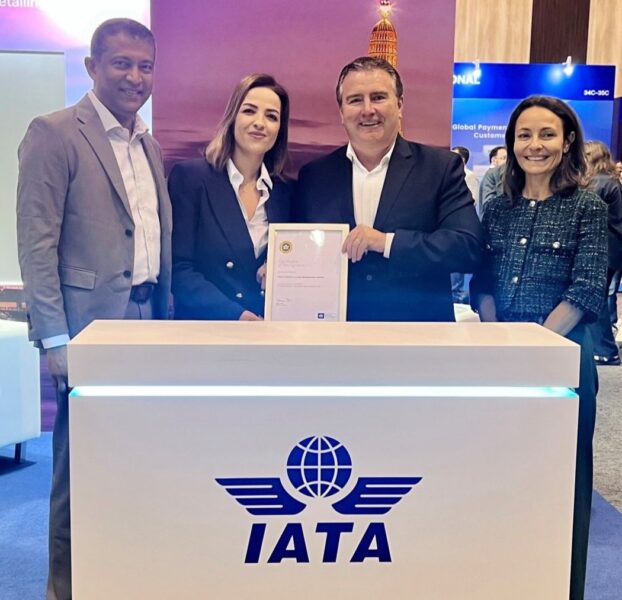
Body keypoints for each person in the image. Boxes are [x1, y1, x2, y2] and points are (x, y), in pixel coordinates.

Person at [16, 19, 172, 600]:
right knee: (76, 471)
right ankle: (67, 590)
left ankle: (124, 578)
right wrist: (55, 340)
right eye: (122, 64)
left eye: (146, 66)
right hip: (87, 331)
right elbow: (37, 243)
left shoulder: (148, 144)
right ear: (91, 67)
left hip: (149, 323)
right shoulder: (54, 133)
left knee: (135, 460)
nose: (135, 77)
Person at [470, 96, 608, 600]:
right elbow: (481, 280)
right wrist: (497, 342)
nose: (535, 145)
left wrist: (533, 348)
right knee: (497, 477)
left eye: (547, 134)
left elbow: (588, 287)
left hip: (561, 365)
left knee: (562, 484)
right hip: (500, 362)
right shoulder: (498, 206)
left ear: (567, 140)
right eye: (524, 135)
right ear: (511, 143)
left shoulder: (587, 207)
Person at [296, 56, 482, 321]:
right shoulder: (314, 176)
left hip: (417, 338)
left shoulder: (439, 168)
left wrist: (385, 242)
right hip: (334, 338)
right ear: (341, 112)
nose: (368, 109)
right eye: (355, 100)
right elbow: (302, 248)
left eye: (379, 97)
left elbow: (467, 247)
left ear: (400, 105)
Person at [168, 73, 291, 320]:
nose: (260, 123)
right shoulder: (191, 178)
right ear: (232, 117)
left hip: (268, 331)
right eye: (249, 111)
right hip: (208, 331)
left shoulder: (286, 193)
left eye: (271, 116)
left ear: (280, 129)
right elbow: (179, 270)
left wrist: (280, 270)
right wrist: (236, 315)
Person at [584, 140, 622, 365]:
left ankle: (605, 350)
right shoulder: (611, 182)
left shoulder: (598, 184)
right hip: (612, 248)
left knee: (595, 300)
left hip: (603, 250)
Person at [451, 145, 480, 302]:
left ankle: (457, 295)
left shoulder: (469, 176)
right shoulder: (446, 174)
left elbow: (473, 200)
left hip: (461, 224)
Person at [478, 145, 507, 215]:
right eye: (504, 158)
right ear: (494, 160)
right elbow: (488, 205)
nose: (507, 161)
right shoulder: (490, 176)